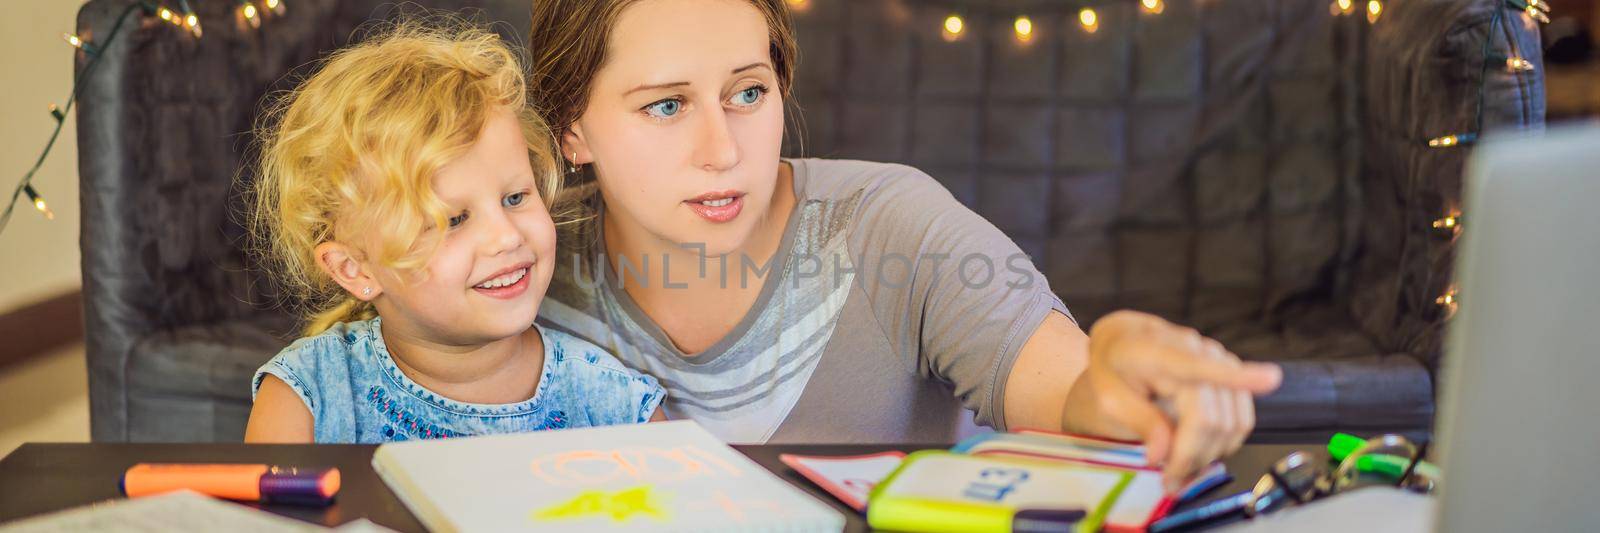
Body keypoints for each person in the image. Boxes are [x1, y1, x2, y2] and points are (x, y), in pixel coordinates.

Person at [526, 0, 1282, 491]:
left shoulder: (892, 224)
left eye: (749, 92)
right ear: (571, 128)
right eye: (666, 105)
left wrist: (1116, 388)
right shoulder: (520, 263)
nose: (722, 148)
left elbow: (1066, 388)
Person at [243, 20, 665, 444]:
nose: (506, 237)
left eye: (515, 197)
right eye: (454, 220)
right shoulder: (306, 398)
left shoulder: (614, 405)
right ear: (355, 269)